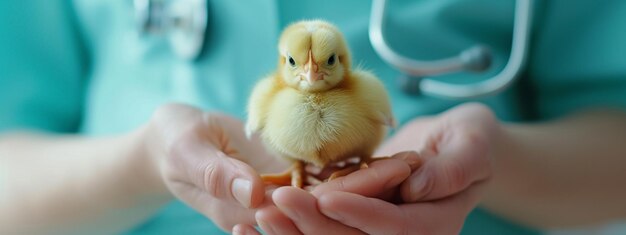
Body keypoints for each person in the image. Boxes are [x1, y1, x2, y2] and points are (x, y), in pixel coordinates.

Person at [1, 0, 626, 234]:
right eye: (300, 68)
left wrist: (497, 158)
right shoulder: (273, 101)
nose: (310, 79)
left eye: (325, 66)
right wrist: (143, 162)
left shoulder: (362, 98)